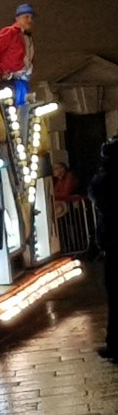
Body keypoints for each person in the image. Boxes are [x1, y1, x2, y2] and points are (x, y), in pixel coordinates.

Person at [89, 138, 118, 360]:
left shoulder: (104, 180)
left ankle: (114, 344)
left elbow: (95, 193)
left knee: (115, 298)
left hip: (113, 243)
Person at [0, 3, 35, 106]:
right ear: (17, 18)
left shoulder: (28, 37)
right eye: (26, 17)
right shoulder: (9, 32)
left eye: (31, 17)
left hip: (23, 79)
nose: (30, 20)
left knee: (24, 108)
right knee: (11, 107)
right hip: (9, 79)